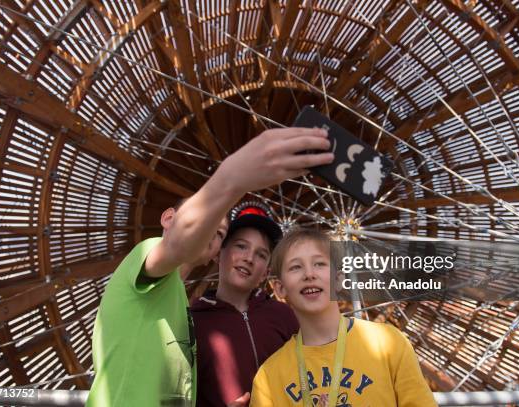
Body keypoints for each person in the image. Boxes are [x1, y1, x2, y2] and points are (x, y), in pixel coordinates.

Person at [85, 128, 334, 407]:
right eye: (237, 244)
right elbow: (180, 244)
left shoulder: (182, 315)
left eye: (218, 233)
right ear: (169, 218)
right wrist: (232, 178)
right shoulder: (144, 257)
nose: (208, 231)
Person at [250, 229, 437, 407]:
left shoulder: (388, 344)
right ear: (279, 288)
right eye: (296, 267)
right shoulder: (269, 377)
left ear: (339, 279)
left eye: (319, 264)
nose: (309, 274)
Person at [191, 201, 299, 406]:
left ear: (266, 272)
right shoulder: (192, 323)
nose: (249, 258)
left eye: (261, 254)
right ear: (218, 254)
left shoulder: (284, 316)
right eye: (241, 246)